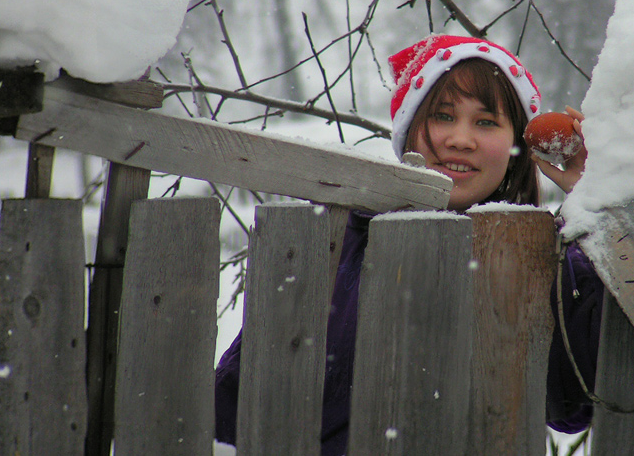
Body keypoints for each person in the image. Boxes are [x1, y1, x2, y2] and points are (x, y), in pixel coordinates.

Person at [214, 34, 602, 454]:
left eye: (486, 122)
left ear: (515, 148)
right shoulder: (332, 246)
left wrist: (593, 205)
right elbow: (236, 407)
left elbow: (579, 395)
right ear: (409, 131)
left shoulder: (541, 259)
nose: (461, 139)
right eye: (442, 116)